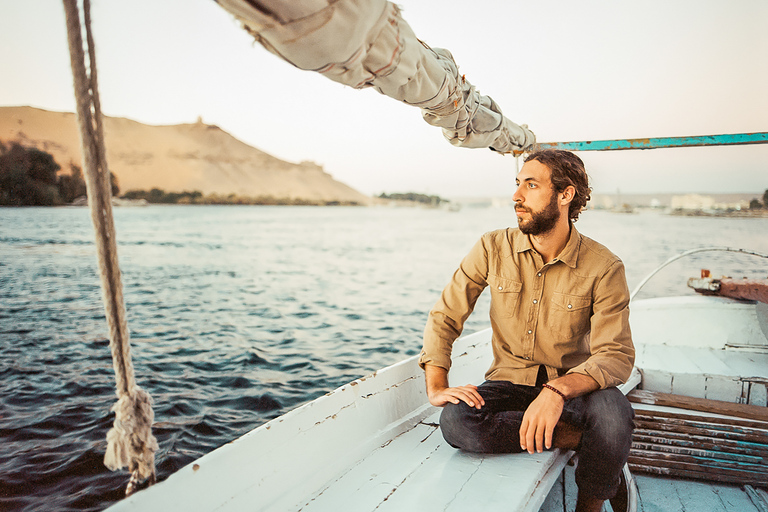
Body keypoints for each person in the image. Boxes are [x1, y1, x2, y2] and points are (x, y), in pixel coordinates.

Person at [419, 149, 635, 512]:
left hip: (574, 387)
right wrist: (437, 384)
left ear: (565, 195)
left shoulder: (605, 267)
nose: (516, 196)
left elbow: (615, 355)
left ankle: (592, 502)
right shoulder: (491, 246)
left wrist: (556, 391)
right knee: (457, 421)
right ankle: (583, 441)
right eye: (517, 184)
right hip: (509, 382)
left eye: (531, 185)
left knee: (614, 417)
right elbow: (446, 314)